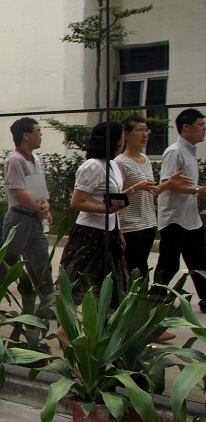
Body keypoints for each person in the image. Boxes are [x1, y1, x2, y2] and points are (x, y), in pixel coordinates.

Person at [58, 121, 134, 304]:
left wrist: (119, 230)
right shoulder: (93, 166)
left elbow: (112, 200)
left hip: (110, 231)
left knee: (112, 283)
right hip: (90, 232)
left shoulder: (113, 165)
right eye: (122, 136)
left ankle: (106, 317)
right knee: (79, 280)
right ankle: (66, 319)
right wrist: (106, 210)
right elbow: (77, 201)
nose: (124, 140)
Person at [115, 115, 191, 276]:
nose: (144, 135)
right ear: (126, 135)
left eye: (146, 130)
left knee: (141, 271)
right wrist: (136, 188)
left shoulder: (145, 159)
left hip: (149, 224)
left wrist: (170, 182)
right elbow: (115, 198)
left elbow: (153, 191)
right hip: (129, 226)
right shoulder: (119, 163)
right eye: (139, 130)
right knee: (138, 272)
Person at [153, 108, 206, 312]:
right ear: (186, 127)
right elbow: (168, 183)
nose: (204, 129)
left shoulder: (190, 151)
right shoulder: (174, 151)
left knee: (200, 261)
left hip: (191, 218)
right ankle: (155, 300)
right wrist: (196, 191)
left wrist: (197, 191)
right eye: (200, 125)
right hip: (175, 219)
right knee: (169, 264)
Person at [0, 118, 53, 299]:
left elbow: (39, 189)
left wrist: (45, 205)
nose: (40, 134)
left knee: (42, 263)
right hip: (19, 219)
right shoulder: (15, 160)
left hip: (35, 218)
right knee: (7, 263)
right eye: (38, 130)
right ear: (26, 136)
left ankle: (49, 304)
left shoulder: (36, 160)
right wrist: (39, 208)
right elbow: (18, 192)